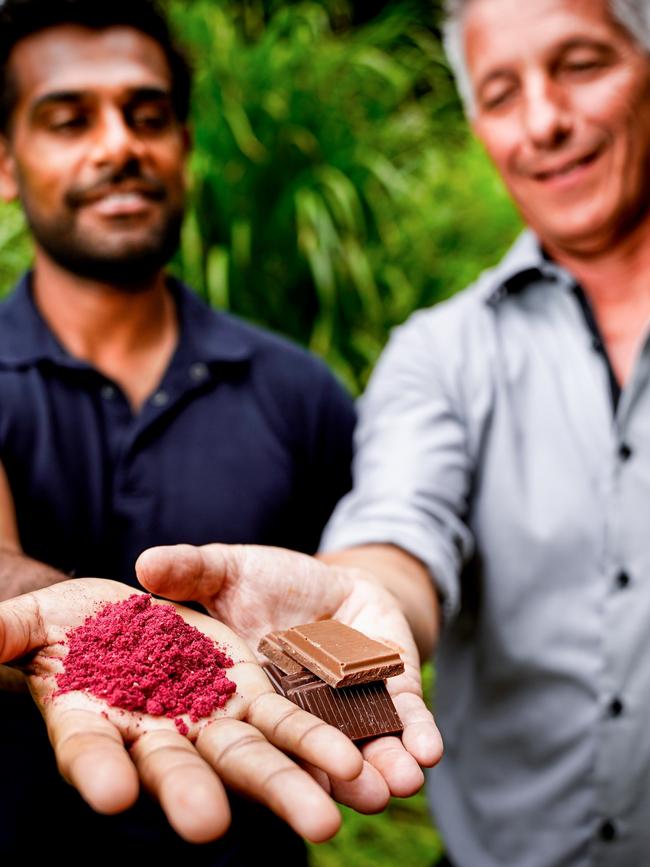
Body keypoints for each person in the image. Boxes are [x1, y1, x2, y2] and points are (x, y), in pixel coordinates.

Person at [125, 0, 650, 865]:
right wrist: (357, 597)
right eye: (501, 92)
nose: (546, 122)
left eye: (583, 65)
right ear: (478, 124)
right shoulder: (439, 353)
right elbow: (403, 521)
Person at [0, 0, 441, 861]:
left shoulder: (299, 391)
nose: (118, 143)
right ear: (6, 162)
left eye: (148, 115)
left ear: (185, 147)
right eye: (67, 119)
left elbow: (362, 571)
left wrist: (373, 611)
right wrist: (52, 614)